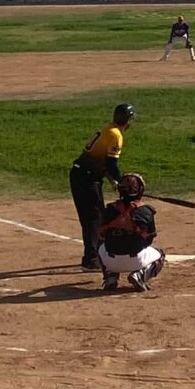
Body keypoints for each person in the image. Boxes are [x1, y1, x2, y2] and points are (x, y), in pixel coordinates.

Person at [70, 103, 135, 271]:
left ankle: (98, 254)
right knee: (93, 219)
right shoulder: (116, 135)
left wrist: (113, 181)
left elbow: (102, 162)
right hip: (86, 178)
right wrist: (122, 181)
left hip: (83, 175)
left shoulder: (108, 129)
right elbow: (111, 163)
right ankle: (91, 260)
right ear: (128, 120)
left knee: (96, 216)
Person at [98, 173, 166, 292]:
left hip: (111, 261)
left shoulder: (109, 209)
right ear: (140, 190)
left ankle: (110, 276)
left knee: (100, 245)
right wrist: (134, 230)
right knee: (160, 254)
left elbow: (101, 234)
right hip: (137, 260)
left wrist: (114, 227)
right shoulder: (146, 211)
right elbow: (149, 239)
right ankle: (139, 274)